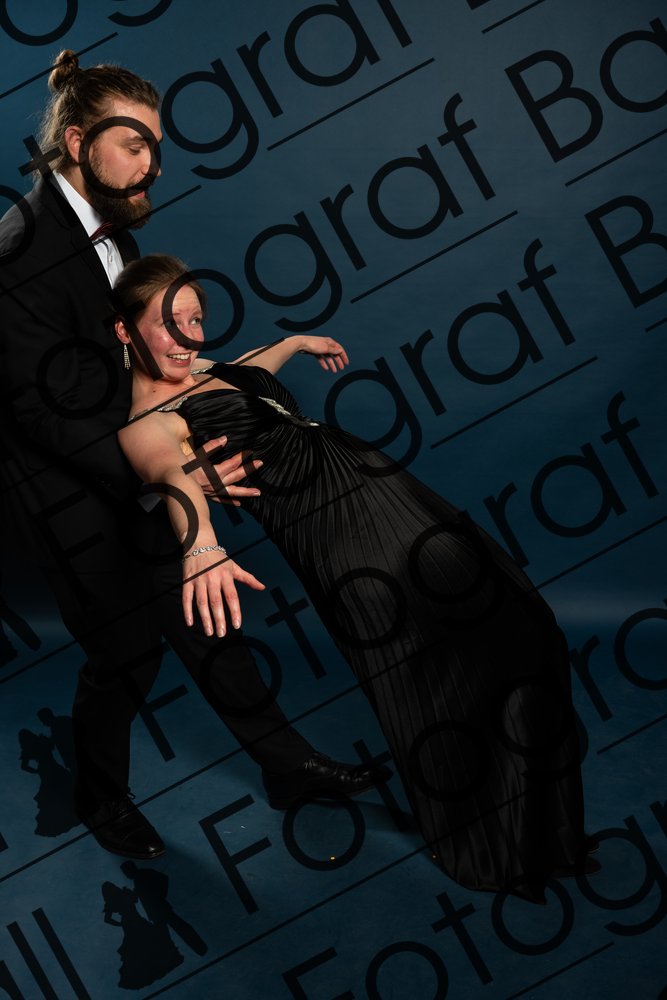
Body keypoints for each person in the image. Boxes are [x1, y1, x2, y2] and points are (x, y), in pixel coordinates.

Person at [112, 253, 599, 902]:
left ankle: (540, 827)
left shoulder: (201, 369)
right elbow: (169, 475)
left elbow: (246, 371)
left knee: (523, 629)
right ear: (125, 331)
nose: (188, 338)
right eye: (169, 324)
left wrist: (293, 342)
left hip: (400, 503)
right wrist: (201, 544)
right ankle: (487, 842)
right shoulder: (146, 423)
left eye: (196, 320)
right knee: (436, 677)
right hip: (352, 547)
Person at [0, 52, 387, 862]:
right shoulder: (21, 248)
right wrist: (171, 473)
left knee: (203, 617)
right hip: (67, 491)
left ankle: (285, 767)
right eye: (135, 145)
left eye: (156, 145)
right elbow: (40, 414)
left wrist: (220, 397)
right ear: (79, 143)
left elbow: (128, 361)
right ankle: (101, 797)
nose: (153, 164)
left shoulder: (105, 225)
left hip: (126, 459)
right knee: (126, 653)